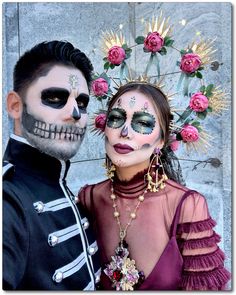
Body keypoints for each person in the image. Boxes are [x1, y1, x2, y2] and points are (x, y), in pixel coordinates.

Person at [78, 82, 231, 291]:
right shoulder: (90, 198)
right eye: (116, 118)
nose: (125, 131)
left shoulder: (186, 206)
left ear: (161, 141)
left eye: (142, 122)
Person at [3, 40, 101, 290]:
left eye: (82, 103)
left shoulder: (58, 182)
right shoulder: (7, 200)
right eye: (55, 98)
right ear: (16, 106)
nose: (76, 114)